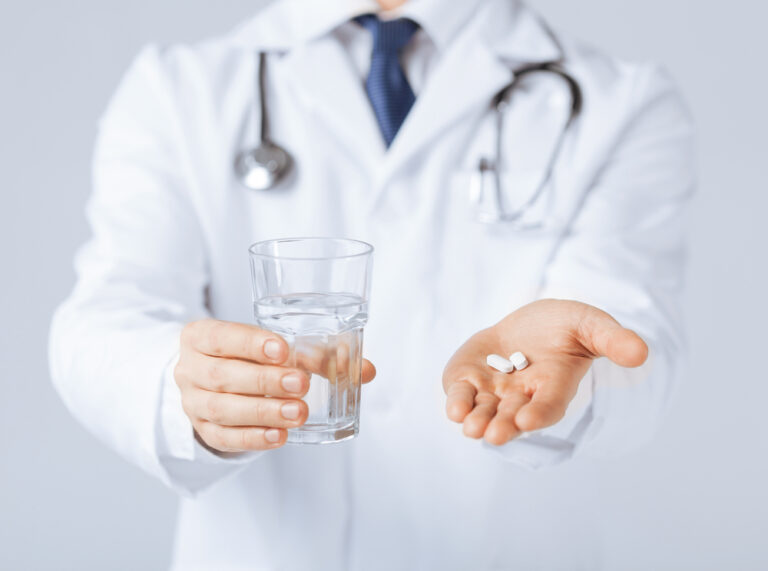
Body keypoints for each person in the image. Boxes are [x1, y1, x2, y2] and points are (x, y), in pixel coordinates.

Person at [49, 0, 694, 569]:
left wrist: (572, 377)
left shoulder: (621, 103)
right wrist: (188, 388)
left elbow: (632, 349)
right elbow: (108, 314)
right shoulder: (180, 87)